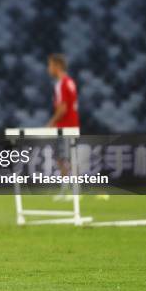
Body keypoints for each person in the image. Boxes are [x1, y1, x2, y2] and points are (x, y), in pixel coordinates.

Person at [46, 54, 80, 201]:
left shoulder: (61, 84)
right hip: (73, 124)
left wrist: (51, 123)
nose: (49, 69)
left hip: (65, 126)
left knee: (64, 158)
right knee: (64, 158)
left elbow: (63, 109)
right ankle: (68, 189)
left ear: (57, 66)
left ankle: (72, 191)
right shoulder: (70, 82)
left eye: (50, 65)